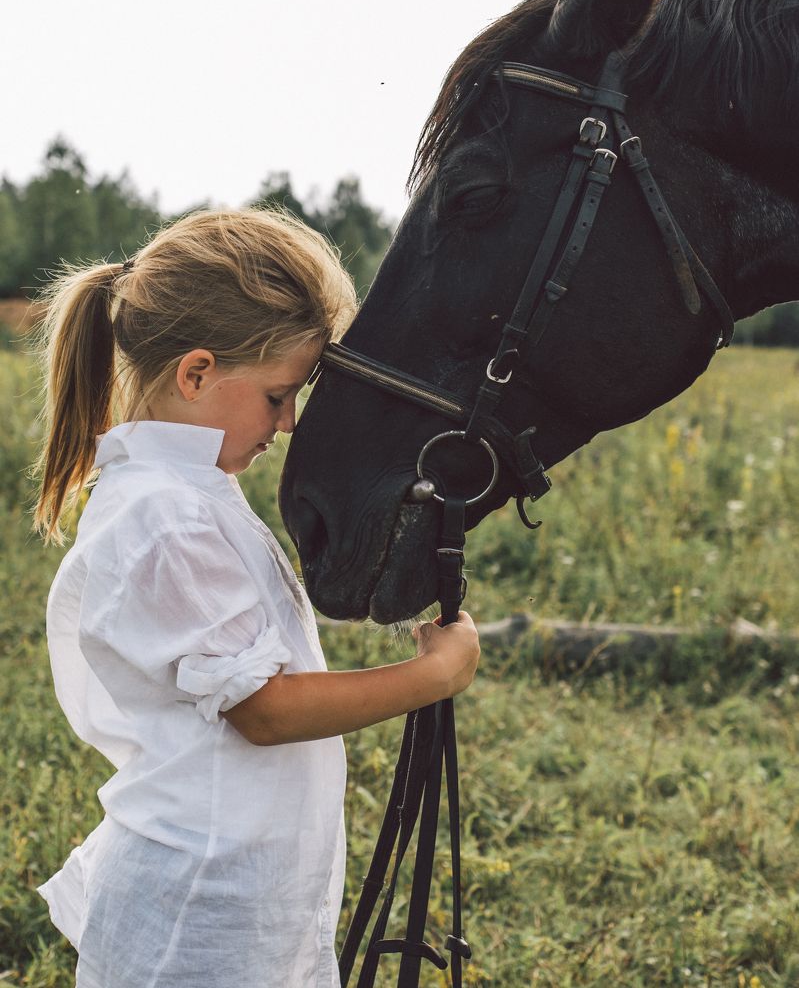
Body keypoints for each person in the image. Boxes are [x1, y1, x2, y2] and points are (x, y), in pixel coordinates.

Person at [33, 208, 481, 988]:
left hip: (235, 896)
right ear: (197, 373)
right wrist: (429, 681)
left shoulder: (189, 493)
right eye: (278, 395)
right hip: (198, 919)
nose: (289, 422)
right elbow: (263, 709)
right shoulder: (164, 517)